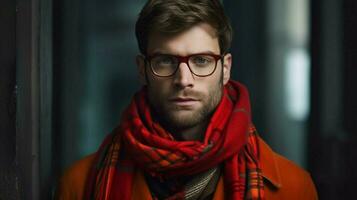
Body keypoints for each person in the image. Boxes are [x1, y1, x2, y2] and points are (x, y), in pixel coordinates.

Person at [55, 0, 318, 199]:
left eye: (202, 61)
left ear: (225, 69)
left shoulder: (294, 188)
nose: (184, 79)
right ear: (142, 69)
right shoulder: (78, 186)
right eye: (166, 61)